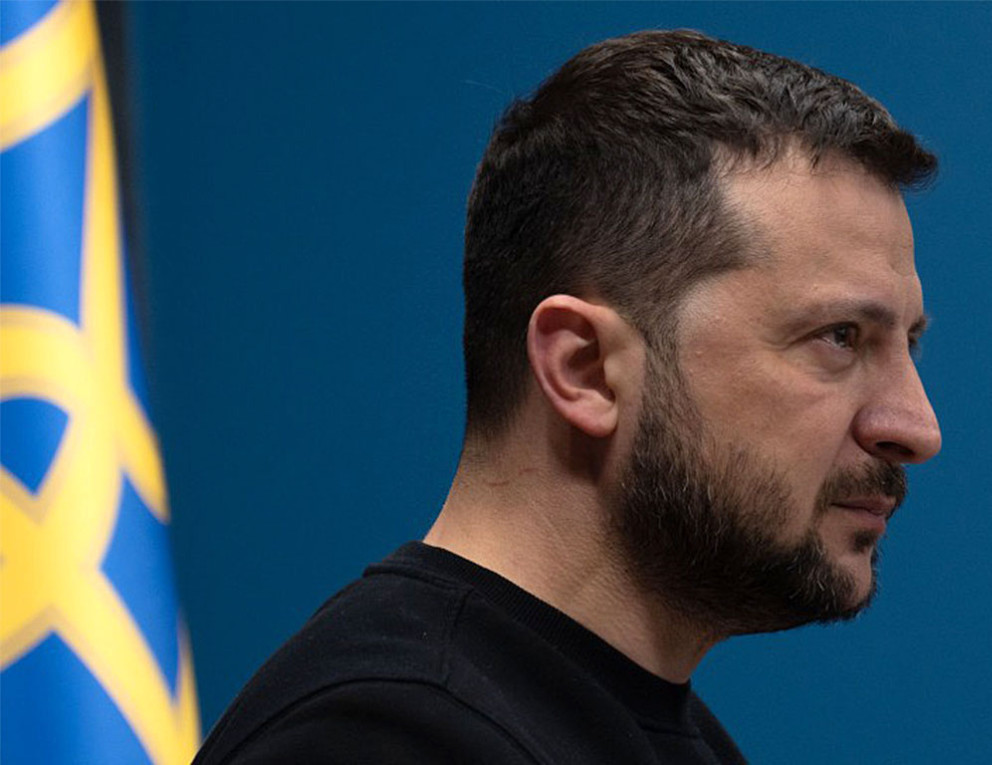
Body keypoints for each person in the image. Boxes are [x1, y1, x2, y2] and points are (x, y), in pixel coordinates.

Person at [194, 29, 941, 765]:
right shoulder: (387, 739)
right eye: (840, 337)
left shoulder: (659, 732)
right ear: (585, 368)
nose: (916, 426)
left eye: (907, 344)